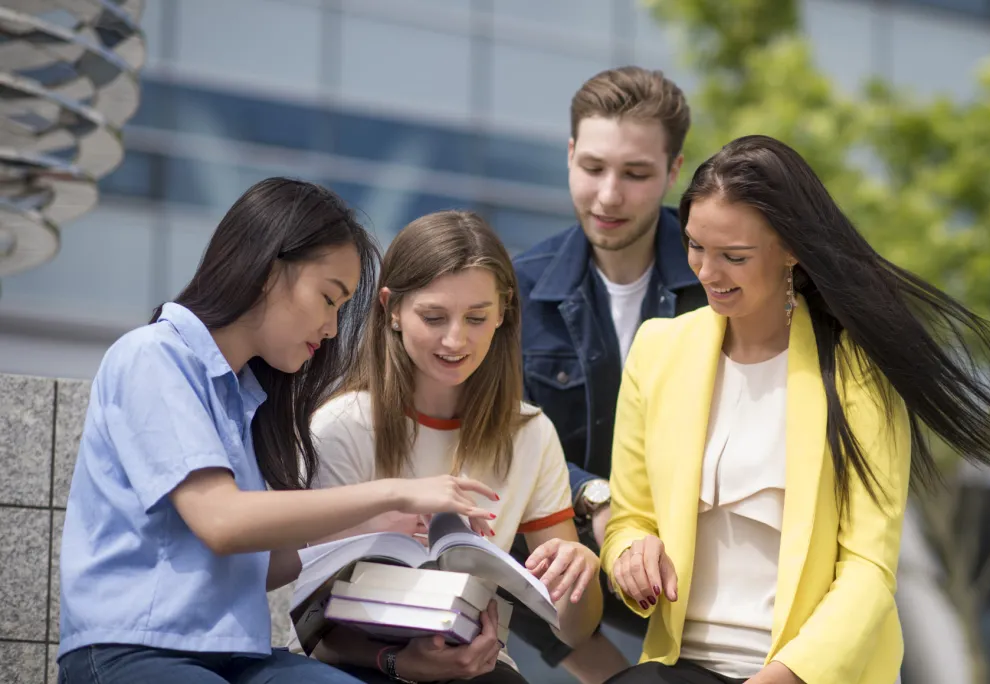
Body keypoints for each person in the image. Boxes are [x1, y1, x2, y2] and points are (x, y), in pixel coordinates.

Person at [601, 135, 990, 684]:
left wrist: (785, 676)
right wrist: (629, 554)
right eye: (696, 246)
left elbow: (867, 571)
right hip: (677, 667)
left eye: (734, 257)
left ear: (792, 249)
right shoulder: (657, 350)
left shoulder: (859, 375)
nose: (708, 272)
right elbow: (630, 518)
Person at [56, 179, 499, 684]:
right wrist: (394, 490)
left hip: (234, 656)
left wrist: (374, 527)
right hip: (132, 651)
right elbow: (222, 521)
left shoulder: (242, 396)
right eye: (329, 299)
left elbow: (255, 567)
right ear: (269, 271)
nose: (333, 328)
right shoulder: (152, 356)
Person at [298, 210, 604, 684]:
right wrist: (402, 663)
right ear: (392, 309)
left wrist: (579, 573)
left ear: (503, 312)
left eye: (477, 318)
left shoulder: (530, 433)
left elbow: (573, 631)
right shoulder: (341, 427)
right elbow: (312, 626)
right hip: (359, 666)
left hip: (476, 667)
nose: (455, 339)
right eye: (433, 316)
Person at [511, 65, 707, 684]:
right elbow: (496, 436)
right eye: (593, 167)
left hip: (700, 560)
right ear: (570, 154)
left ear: (675, 172)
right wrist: (594, 498)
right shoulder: (518, 287)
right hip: (575, 566)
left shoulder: (721, 279)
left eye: (637, 173)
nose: (609, 196)